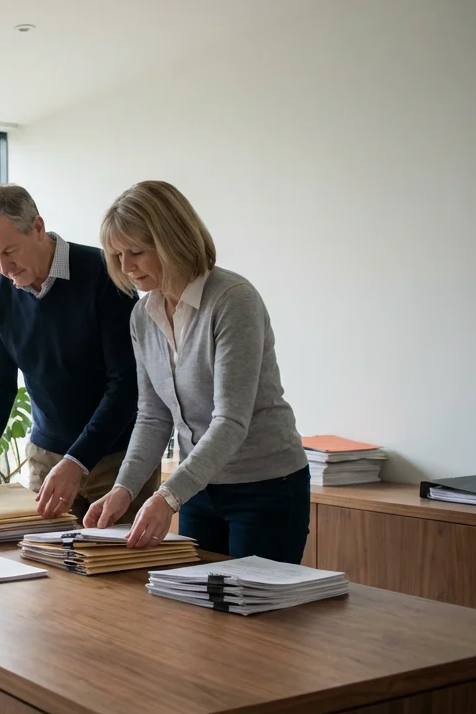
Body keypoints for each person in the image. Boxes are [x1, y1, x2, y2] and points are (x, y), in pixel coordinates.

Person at [83, 181, 309, 562]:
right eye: (117, 254)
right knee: (197, 617)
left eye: (136, 251)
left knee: (255, 619)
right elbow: (153, 416)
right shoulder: (143, 315)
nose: (125, 267)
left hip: (266, 487)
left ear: (171, 240)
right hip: (198, 490)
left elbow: (230, 421)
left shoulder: (233, 299)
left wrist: (168, 496)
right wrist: (124, 488)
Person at [0, 184, 160, 519]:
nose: (4, 268)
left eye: (9, 251)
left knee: (117, 569)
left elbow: (126, 385)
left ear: (37, 227)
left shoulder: (105, 274)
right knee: (41, 566)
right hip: (45, 459)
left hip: (117, 461)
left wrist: (77, 460)